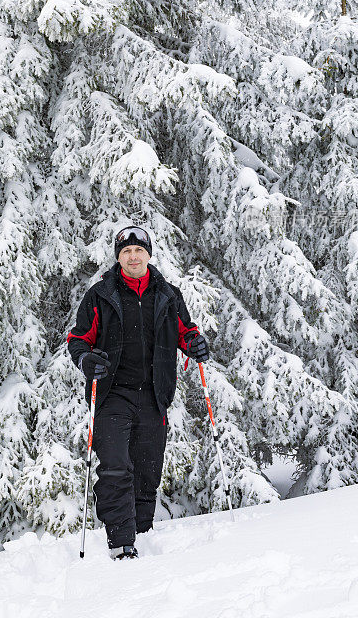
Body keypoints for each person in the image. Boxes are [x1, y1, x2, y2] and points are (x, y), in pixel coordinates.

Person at [67, 226, 210, 560]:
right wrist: (87, 359)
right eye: (126, 251)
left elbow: (185, 331)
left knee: (147, 471)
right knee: (116, 467)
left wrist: (193, 344)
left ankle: (141, 534)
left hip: (154, 395)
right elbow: (78, 340)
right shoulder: (101, 294)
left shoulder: (168, 295)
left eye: (138, 250)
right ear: (119, 257)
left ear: (148, 254)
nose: (133, 256)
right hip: (111, 394)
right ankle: (121, 541)